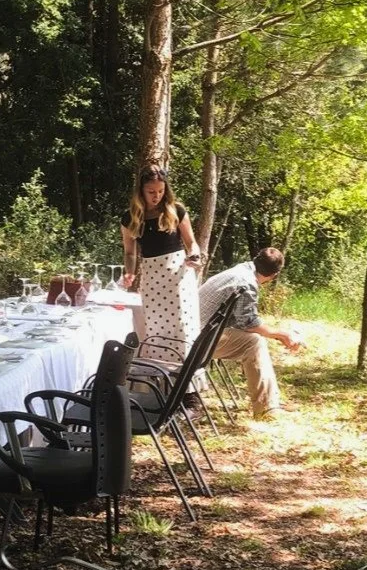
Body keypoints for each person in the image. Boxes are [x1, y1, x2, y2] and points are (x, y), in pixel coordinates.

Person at [198, 247, 301, 416]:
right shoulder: (247, 283)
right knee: (253, 342)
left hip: (195, 332)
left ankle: (269, 401)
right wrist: (282, 334)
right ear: (274, 275)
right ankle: (267, 408)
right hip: (197, 341)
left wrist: (276, 335)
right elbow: (249, 323)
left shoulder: (239, 271)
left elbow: (241, 321)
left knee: (253, 339)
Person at [121, 166, 202, 359]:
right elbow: (130, 252)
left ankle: (183, 382)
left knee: (182, 326)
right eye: (151, 192)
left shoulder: (176, 211)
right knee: (155, 328)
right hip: (151, 277)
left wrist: (195, 256)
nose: (156, 196)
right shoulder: (130, 218)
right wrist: (129, 272)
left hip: (178, 276)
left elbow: (192, 243)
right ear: (141, 191)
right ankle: (157, 379)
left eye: (160, 191)